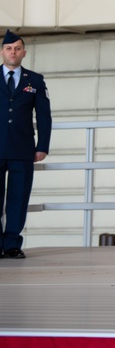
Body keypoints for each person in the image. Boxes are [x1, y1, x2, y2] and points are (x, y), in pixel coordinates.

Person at [0, 30, 51, 259]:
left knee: (18, 198)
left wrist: (43, 146)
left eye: (17, 48)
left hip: (23, 150)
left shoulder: (35, 80)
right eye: (9, 48)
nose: (13, 52)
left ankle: (11, 245)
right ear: (2, 52)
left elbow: (44, 116)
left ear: (24, 53)